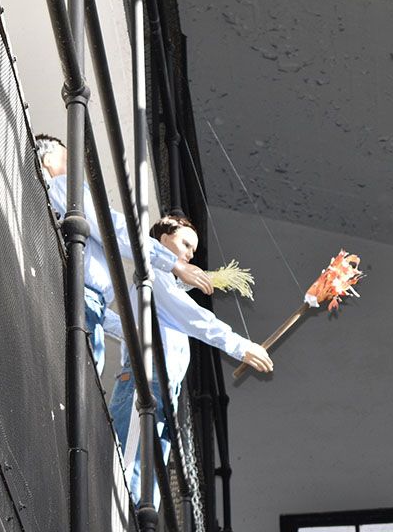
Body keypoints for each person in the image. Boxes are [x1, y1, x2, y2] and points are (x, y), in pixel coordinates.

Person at [109, 215, 272, 501]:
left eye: (193, 250)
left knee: (145, 483)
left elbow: (176, 309)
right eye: (185, 243)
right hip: (146, 381)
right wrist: (240, 345)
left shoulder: (164, 286)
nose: (189, 253)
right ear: (162, 235)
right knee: (131, 479)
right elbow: (193, 317)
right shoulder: (152, 275)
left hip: (160, 388)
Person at [35, 134, 214, 373]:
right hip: (83, 303)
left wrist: (129, 332)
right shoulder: (62, 186)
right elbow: (113, 228)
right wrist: (173, 263)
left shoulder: (45, 203)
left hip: (77, 300)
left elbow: (92, 299)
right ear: (47, 159)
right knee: (79, 379)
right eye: (67, 157)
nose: (74, 164)